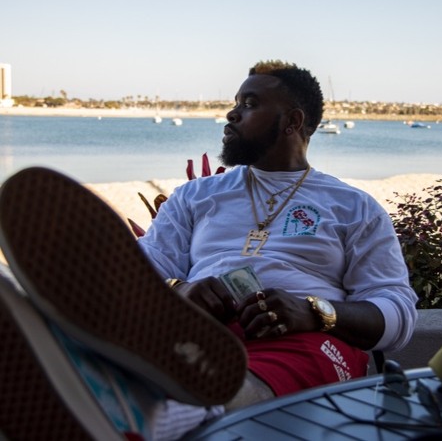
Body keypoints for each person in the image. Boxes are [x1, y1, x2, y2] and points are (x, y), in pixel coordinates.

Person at [0, 60, 417, 440]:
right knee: (163, 345)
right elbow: (142, 271)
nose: (232, 114)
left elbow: (397, 312)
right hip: (196, 334)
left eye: (249, 104)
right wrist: (182, 290)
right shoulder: (197, 196)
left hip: (304, 341)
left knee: (227, 385)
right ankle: (83, 372)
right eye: (235, 102)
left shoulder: (354, 207)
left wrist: (315, 311)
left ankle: (132, 415)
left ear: (293, 121)